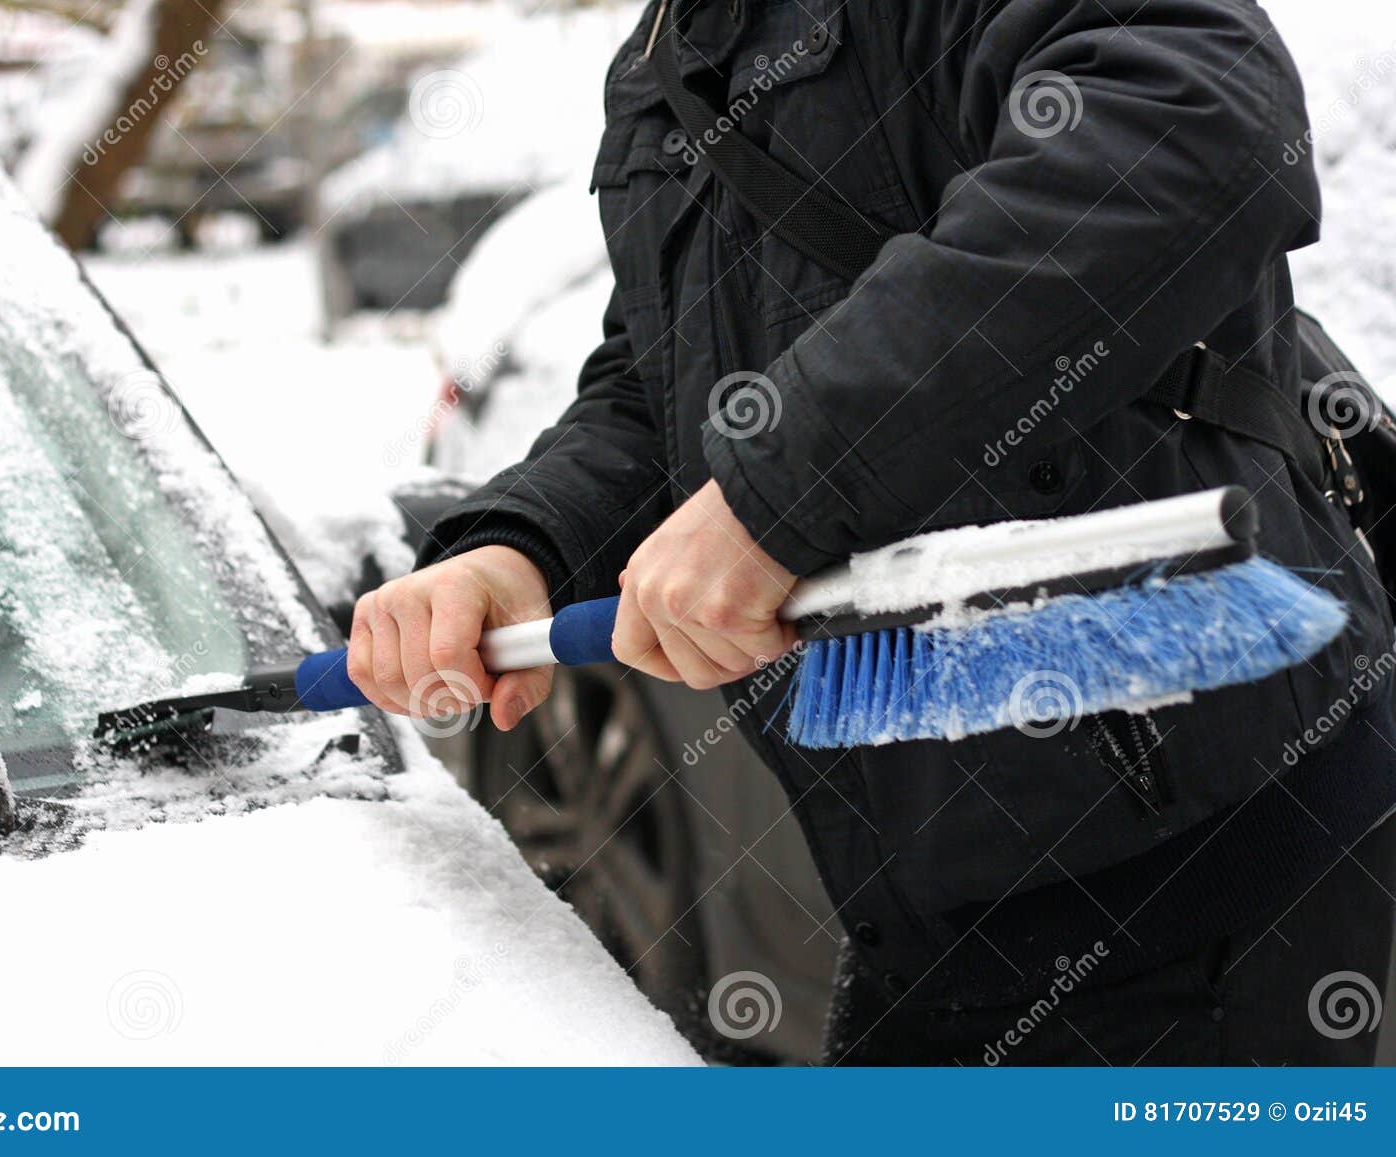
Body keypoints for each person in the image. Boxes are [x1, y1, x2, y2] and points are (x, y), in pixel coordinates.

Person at [349, 0, 1396, 1064]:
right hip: (922, 896)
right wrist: (521, 542)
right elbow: (658, 379)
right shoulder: (669, 56)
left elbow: (1192, 125)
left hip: (1190, 850)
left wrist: (785, 487)